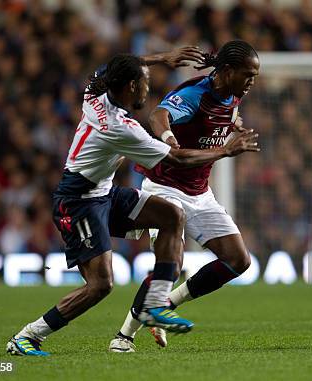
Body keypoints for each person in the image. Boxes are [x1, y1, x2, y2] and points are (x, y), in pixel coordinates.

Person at [7, 49, 260, 357]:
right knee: (100, 285)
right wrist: (225, 151)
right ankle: (29, 335)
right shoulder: (122, 129)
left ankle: (156, 304)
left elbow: (118, 65)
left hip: (104, 193)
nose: (148, 88)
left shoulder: (95, 92)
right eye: (145, 82)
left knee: (171, 216)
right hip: (77, 203)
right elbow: (178, 159)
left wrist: (162, 57)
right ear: (130, 87)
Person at [108, 40, 260, 352]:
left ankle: (167, 303)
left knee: (238, 260)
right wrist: (169, 140)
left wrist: (235, 124)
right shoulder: (195, 94)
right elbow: (158, 116)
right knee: (171, 263)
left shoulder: (232, 94)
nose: (251, 81)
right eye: (248, 75)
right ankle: (123, 336)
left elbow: (224, 115)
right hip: (165, 188)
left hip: (199, 192)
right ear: (227, 71)